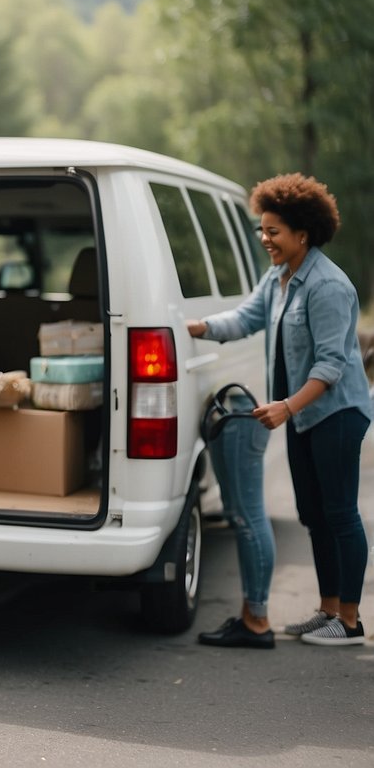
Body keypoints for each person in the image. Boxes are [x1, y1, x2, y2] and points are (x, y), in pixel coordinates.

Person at [187, 173, 372, 647]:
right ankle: (328, 609)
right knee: (312, 512)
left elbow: (331, 366)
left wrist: (287, 407)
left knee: (340, 514)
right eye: (262, 230)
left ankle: (350, 622)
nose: (264, 238)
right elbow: (245, 318)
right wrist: (192, 326)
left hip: (335, 414)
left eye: (273, 231)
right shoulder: (279, 278)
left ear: (302, 234)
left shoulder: (328, 286)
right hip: (301, 414)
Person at [194, 385, 275, 648]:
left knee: (248, 518)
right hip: (235, 406)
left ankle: (257, 621)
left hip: (244, 409)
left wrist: (201, 338)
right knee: (241, 515)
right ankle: (251, 617)